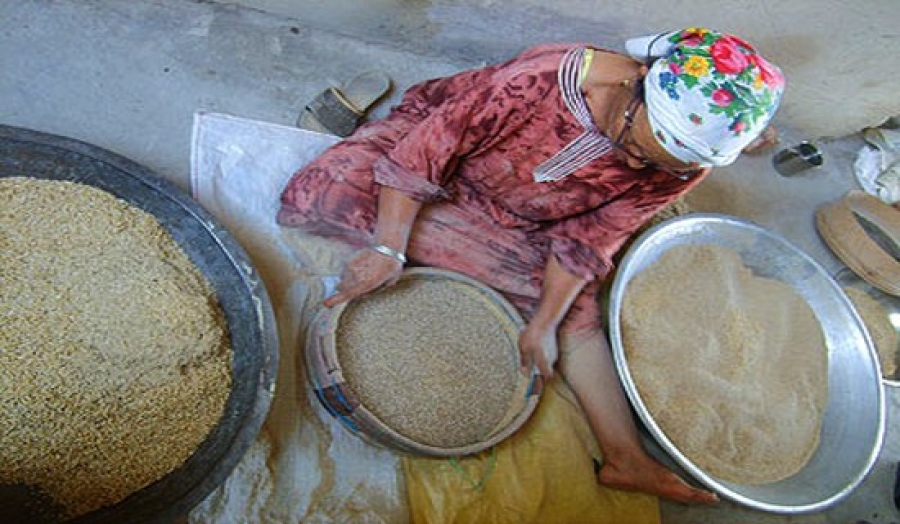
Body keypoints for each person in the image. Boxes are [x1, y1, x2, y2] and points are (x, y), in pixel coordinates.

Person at [278, 27, 785, 504]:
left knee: (574, 317)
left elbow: (589, 241)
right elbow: (422, 156)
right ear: (637, 86)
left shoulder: (681, 163)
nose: (634, 166)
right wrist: (388, 249)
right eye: (634, 145)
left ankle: (626, 459)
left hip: (528, 223)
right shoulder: (541, 81)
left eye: (656, 163)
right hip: (445, 171)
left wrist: (542, 324)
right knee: (320, 192)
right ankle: (416, 238)